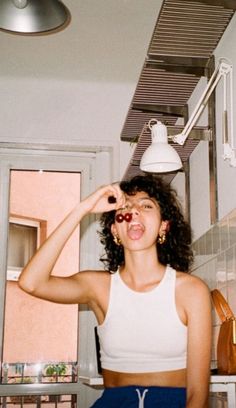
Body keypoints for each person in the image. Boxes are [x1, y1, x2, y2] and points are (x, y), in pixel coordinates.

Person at [18, 174, 212, 408]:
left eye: (146, 205)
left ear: (164, 226)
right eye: (126, 207)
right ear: (115, 230)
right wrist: (83, 208)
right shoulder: (98, 287)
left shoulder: (192, 291)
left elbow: (198, 394)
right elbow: (31, 282)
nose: (135, 211)